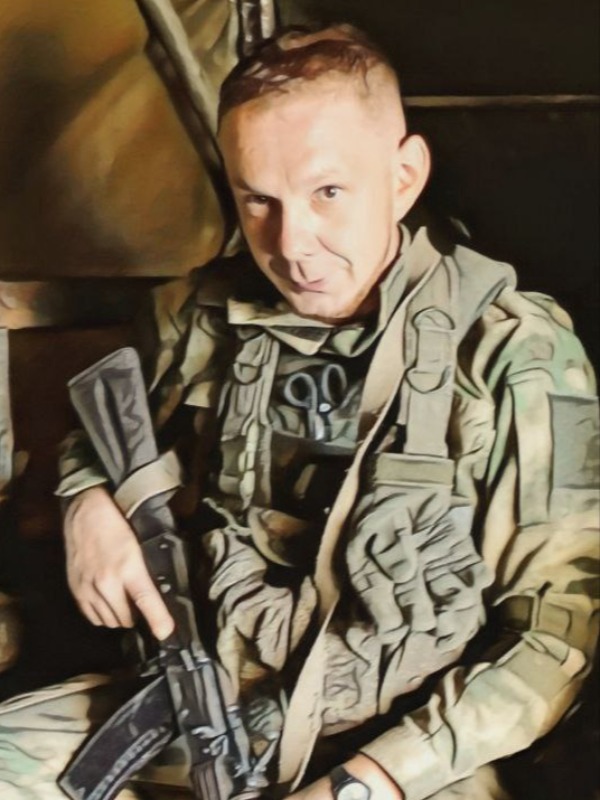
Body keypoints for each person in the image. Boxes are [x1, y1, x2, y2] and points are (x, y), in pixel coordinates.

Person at [0, 24, 598, 800]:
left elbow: (555, 640)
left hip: (404, 751)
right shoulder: (199, 315)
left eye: (328, 194)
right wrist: (87, 500)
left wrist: (365, 782)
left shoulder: (512, 352)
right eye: (259, 200)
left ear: (404, 177)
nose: (292, 245)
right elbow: (109, 426)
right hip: (198, 708)